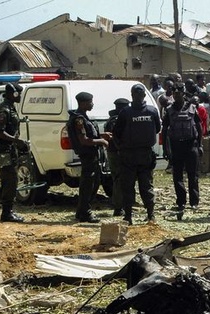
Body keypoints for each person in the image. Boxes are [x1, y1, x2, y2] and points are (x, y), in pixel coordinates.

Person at [113, 84, 161, 225]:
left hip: (140, 154)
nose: (138, 96)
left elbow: (156, 129)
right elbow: (117, 133)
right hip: (132, 154)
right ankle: (132, 216)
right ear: (133, 95)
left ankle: (146, 215)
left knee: (141, 186)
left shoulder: (147, 111)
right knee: (133, 186)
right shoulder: (128, 112)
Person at [162, 84, 203, 220]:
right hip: (176, 146)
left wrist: (200, 145)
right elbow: (164, 130)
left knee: (193, 175)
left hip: (191, 145)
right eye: (174, 93)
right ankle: (181, 201)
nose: (176, 96)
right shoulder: (168, 110)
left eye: (179, 93)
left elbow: (198, 126)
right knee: (177, 175)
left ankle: (194, 202)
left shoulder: (192, 108)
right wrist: (165, 149)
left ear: (183, 94)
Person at [67, 92, 108, 223]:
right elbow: (84, 140)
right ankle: (85, 212)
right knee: (88, 185)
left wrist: (103, 135)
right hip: (87, 155)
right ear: (83, 103)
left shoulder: (84, 117)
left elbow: (90, 133)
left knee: (93, 183)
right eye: (90, 102)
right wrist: (101, 141)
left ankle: (81, 211)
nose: (92, 104)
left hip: (92, 156)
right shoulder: (78, 119)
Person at [0, 83, 27, 222]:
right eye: (18, 94)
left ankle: (8, 211)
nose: (19, 96)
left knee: (10, 180)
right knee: (10, 180)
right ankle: (7, 213)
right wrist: (16, 141)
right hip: (4, 150)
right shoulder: (4, 110)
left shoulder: (11, 107)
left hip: (10, 149)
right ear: (13, 94)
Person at [103, 97, 130, 217]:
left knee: (118, 178)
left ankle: (122, 204)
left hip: (114, 152)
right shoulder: (117, 120)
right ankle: (119, 207)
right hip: (117, 152)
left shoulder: (112, 119)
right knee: (119, 179)